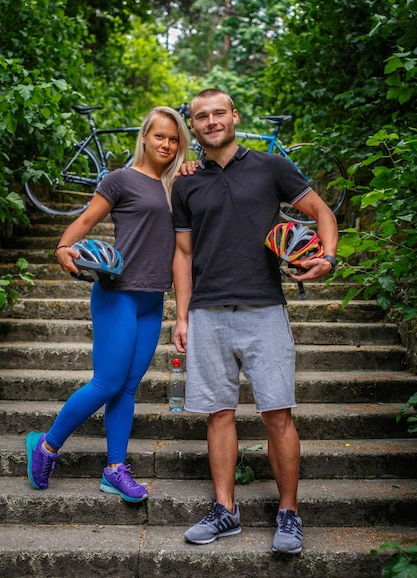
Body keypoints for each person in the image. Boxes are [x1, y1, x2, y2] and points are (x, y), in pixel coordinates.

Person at [171, 89, 339, 552]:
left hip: (265, 308)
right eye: (201, 116)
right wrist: (181, 317)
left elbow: (322, 212)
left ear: (234, 115)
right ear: (194, 126)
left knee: (277, 415)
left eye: (218, 112)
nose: (211, 121)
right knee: (218, 415)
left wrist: (327, 258)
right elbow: (182, 253)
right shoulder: (185, 182)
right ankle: (225, 510)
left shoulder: (271, 167)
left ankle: (289, 513)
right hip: (206, 311)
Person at [26, 106, 190, 502]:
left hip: (152, 299)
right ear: (145, 137)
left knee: (129, 387)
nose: (166, 144)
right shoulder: (120, 179)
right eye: (160, 136)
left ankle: (115, 469)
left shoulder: (179, 185)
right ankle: (46, 446)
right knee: (108, 382)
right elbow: (84, 222)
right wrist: (63, 246)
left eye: (174, 139)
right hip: (117, 293)